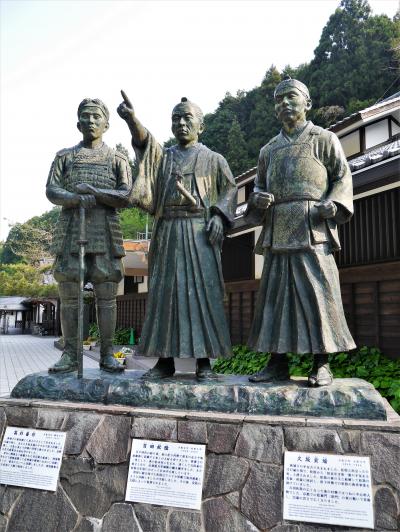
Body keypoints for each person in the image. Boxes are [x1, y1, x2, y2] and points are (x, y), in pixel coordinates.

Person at [117, 91, 237, 378]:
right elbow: (145, 143)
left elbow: (231, 190)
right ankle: (165, 361)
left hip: (199, 234)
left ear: (201, 126)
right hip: (168, 230)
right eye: (176, 119)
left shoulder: (214, 159)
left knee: (203, 294)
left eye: (187, 118)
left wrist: (220, 215)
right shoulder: (164, 158)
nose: (181, 123)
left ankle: (204, 362)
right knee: (164, 294)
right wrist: (132, 119)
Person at [246, 78, 356, 387]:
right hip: (279, 228)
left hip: (312, 226)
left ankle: (321, 362)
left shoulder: (324, 138)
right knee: (275, 299)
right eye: (278, 100)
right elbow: (257, 189)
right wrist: (257, 199)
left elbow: (342, 177)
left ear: (307, 103)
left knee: (319, 295)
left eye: (290, 97)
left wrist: (334, 204)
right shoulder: (268, 150)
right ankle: (276, 361)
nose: (284, 104)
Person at [47, 98, 132, 373]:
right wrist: (74, 198)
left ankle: (107, 353)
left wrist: (96, 194)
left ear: (106, 124)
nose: (92, 121)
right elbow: (51, 190)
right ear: (78, 123)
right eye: (86, 116)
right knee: (70, 292)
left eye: (97, 117)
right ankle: (71, 353)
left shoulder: (117, 159)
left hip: (105, 231)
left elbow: (126, 194)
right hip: (72, 229)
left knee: (107, 293)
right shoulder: (65, 156)